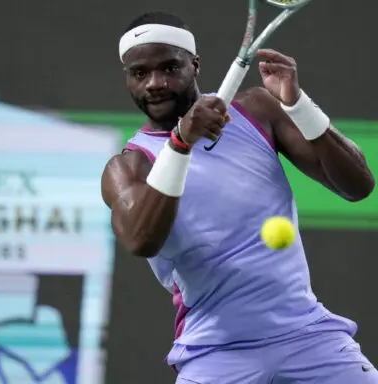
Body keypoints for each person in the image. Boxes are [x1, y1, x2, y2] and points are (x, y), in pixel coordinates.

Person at [101, 11, 376, 384]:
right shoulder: (128, 167)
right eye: (140, 74)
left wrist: (298, 106)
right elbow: (141, 239)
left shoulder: (257, 111)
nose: (155, 83)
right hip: (214, 353)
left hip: (309, 337)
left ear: (194, 66)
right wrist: (181, 143)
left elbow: (358, 185)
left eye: (169, 68)